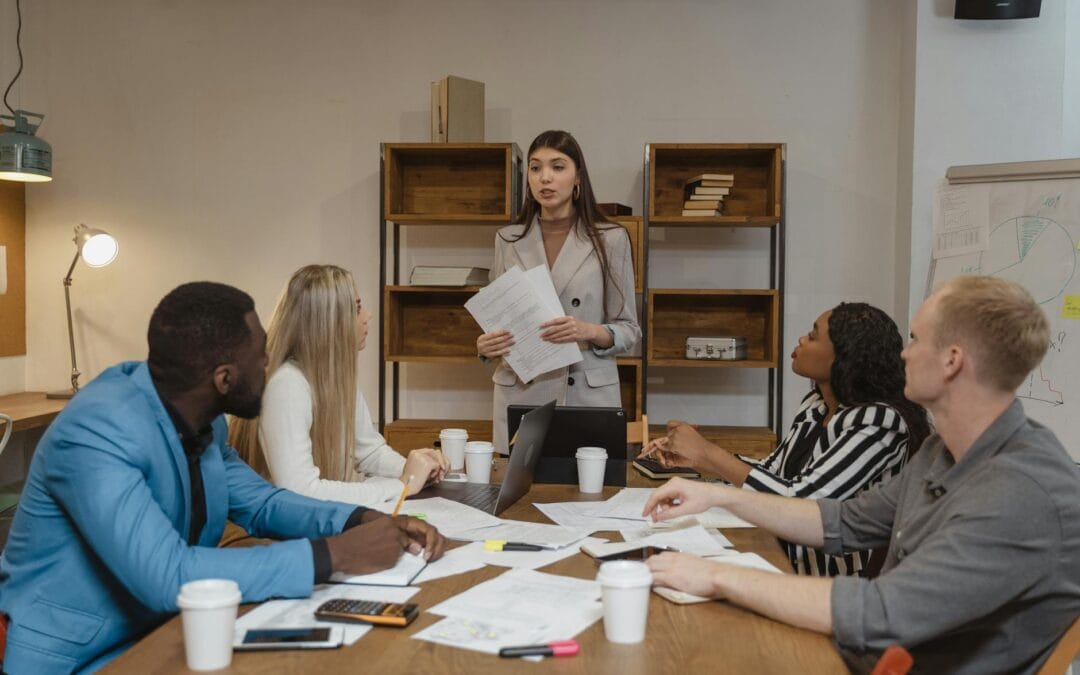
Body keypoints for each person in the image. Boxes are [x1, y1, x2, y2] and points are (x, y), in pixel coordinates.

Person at [0, 282, 447, 672]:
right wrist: (332, 556)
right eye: (261, 357)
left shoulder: (204, 420)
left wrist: (358, 520)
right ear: (225, 378)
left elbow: (265, 503)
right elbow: (167, 575)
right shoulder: (96, 432)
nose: (270, 366)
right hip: (83, 658)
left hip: (173, 634)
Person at [642, 276, 1080, 674]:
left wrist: (717, 576)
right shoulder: (940, 451)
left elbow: (885, 613)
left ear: (951, 361)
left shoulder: (1022, 492)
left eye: (915, 339)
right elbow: (842, 521)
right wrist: (721, 497)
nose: (903, 353)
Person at [642, 302, 930, 576]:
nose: (802, 339)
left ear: (843, 356)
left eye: (814, 336)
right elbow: (772, 473)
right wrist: (698, 462)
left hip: (831, 581)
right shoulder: (816, 406)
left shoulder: (879, 421)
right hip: (780, 555)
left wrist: (708, 453)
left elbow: (804, 503)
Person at [477, 130, 641, 452]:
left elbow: (630, 330)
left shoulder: (611, 239)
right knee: (516, 498)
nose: (545, 178)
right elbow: (498, 321)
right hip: (522, 393)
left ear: (578, 177)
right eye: (536, 168)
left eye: (558, 167)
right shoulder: (507, 240)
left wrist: (587, 329)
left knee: (586, 497)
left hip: (585, 392)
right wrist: (485, 346)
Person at [230, 265, 447, 507]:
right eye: (355, 309)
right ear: (328, 323)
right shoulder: (287, 386)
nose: (368, 316)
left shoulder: (334, 377)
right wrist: (401, 484)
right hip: (277, 531)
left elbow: (370, 452)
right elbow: (301, 491)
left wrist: (418, 470)